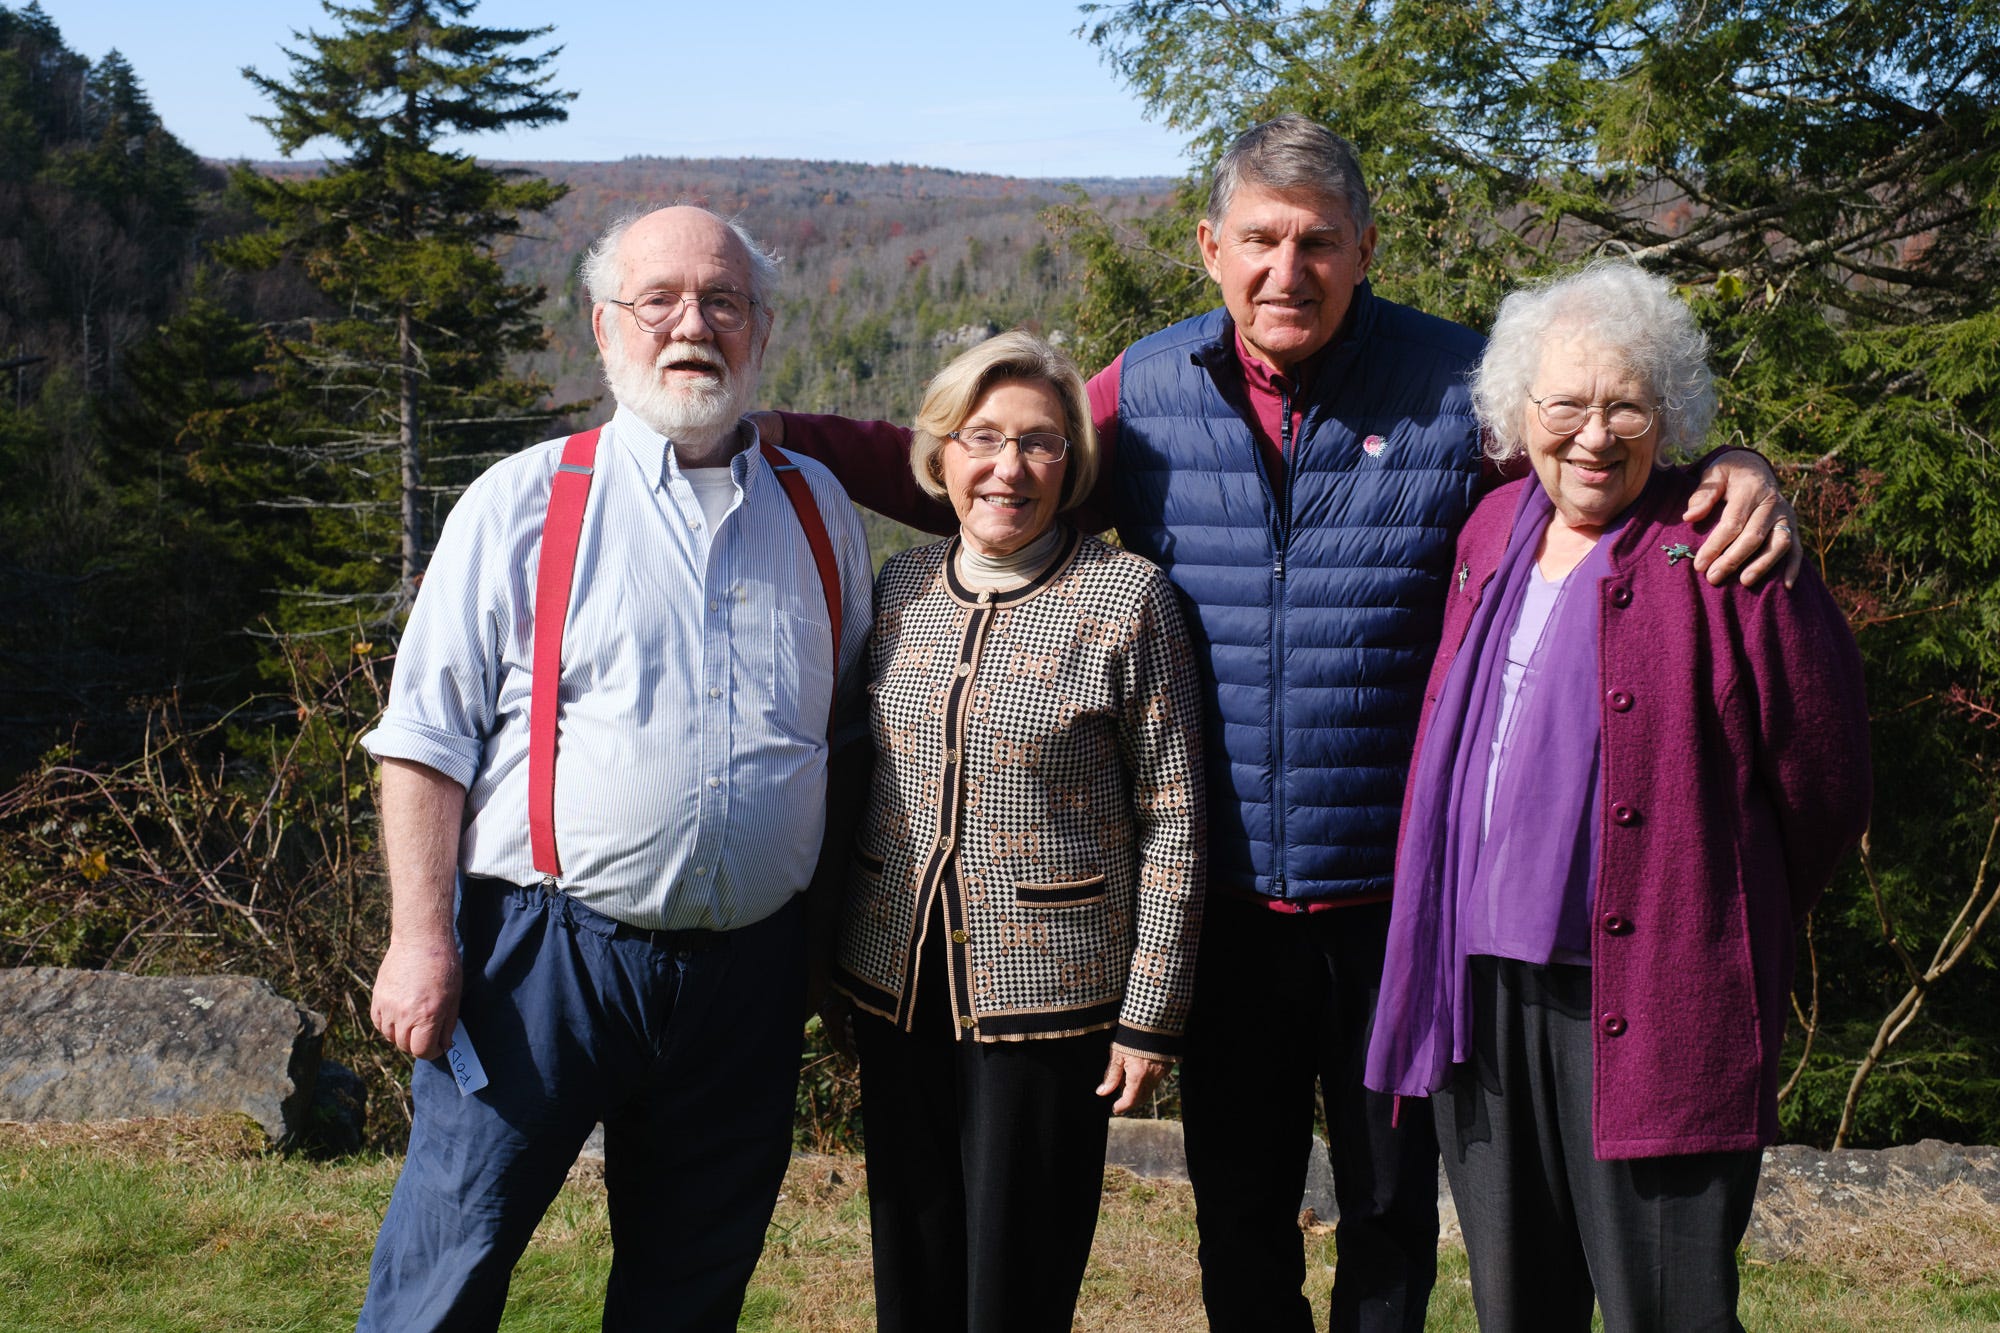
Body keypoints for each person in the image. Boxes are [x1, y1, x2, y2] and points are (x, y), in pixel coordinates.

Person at [759, 115, 1799, 1331]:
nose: (1285, 270)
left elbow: (1591, 467)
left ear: (1364, 248)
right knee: (1240, 1217)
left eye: (1315, 241)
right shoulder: (1149, 388)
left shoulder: (1455, 387)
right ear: (1210, 248)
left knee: (1388, 1216)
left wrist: (1726, 469)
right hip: (1229, 899)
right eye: (1258, 239)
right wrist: (772, 437)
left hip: (1400, 901)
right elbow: (993, 467)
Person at [355, 204, 872, 1331]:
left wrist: (821, 954)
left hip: (748, 976)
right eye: (660, 300)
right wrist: (420, 939)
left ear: (761, 329)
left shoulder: (818, 511)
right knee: (448, 1263)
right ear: (604, 328)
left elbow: (837, 738)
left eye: (723, 301)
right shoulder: (524, 500)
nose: (693, 326)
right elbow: (425, 739)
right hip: (539, 961)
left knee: (691, 1288)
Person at [1364, 261, 1871, 1330]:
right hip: (1481, 992)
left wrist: (1725, 914)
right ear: (1520, 414)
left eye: (1625, 407)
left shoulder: (1724, 548)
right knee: (1516, 1303)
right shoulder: (1490, 529)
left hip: (1655, 1003)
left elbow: (1823, 781)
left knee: (1668, 1309)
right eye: (1565, 406)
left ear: (1667, 414)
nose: (1593, 437)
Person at [829, 331, 1204, 1332]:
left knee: (1016, 1281)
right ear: (940, 453)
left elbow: (1173, 817)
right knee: (910, 1263)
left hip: (1050, 1000)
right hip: (895, 988)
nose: (1009, 467)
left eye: (1039, 442)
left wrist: (1150, 1013)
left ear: (1070, 462)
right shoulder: (901, 585)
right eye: (983, 438)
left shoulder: (1126, 600)